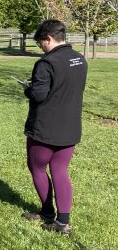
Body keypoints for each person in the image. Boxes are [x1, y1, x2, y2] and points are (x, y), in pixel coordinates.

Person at [21, 20, 87, 236]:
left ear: (48, 38)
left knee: (38, 167)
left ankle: (48, 213)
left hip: (45, 128)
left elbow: (39, 95)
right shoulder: (80, 59)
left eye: (41, 43)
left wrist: (28, 90)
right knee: (60, 170)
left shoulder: (46, 63)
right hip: (70, 127)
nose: (41, 48)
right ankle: (63, 222)